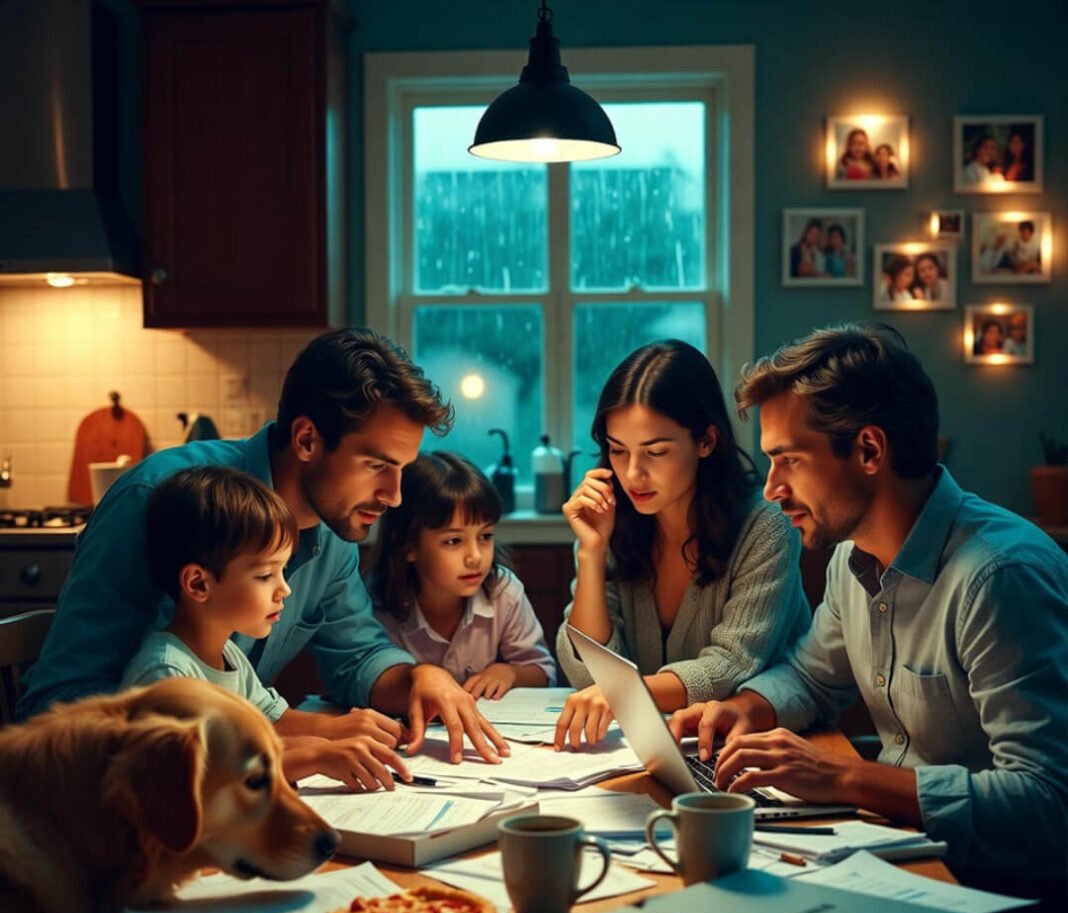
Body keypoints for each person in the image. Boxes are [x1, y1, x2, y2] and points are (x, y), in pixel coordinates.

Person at [667, 322, 1068, 882]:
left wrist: (841, 777)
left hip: (997, 899)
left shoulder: (1000, 578)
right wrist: (745, 709)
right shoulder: (849, 559)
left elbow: (1046, 803)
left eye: (789, 460)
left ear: (869, 450)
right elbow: (811, 678)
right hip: (900, 855)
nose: (771, 487)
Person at [19, 327, 509, 765]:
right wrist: (290, 747)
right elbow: (60, 709)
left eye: (403, 469)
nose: (395, 496)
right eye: (377, 465)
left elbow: (357, 657)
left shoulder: (335, 525)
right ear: (307, 440)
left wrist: (420, 677)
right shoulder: (156, 502)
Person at [553, 339, 811, 749]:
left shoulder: (767, 526)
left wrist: (626, 694)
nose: (633, 474)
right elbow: (589, 677)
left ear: (707, 441)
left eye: (655, 452)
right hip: (651, 750)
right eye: (617, 451)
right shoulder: (607, 520)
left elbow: (731, 665)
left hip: (759, 746)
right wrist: (591, 551)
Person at [122, 467, 410, 791]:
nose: (284, 589)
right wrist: (314, 756)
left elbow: (268, 725)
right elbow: (199, 778)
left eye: (282, 570)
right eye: (264, 575)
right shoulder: (168, 673)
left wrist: (334, 742)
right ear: (199, 583)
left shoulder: (227, 654)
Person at [370, 451, 556, 697]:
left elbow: (543, 673)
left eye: (485, 537)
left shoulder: (503, 591)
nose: (475, 557)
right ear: (409, 546)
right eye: (454, 541)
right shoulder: (376, 603)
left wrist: (509, 673)